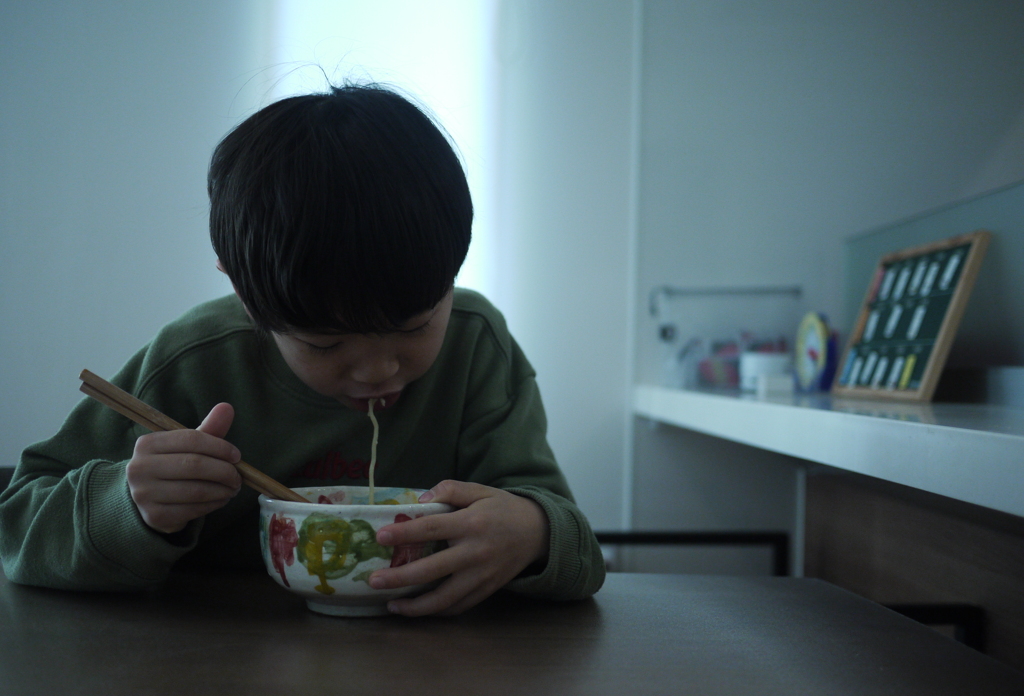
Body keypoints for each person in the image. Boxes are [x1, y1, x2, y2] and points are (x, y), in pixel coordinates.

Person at [0, 84, 605, 615]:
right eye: (325, 342)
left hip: (435, 662)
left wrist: (533, 534)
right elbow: (17, 524)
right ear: (242, 291)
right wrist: (130, 505)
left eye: (415, 326)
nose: (377, 369)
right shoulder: (198, 361)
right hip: (209, 662)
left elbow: (574, 544)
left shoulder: (477, 347)